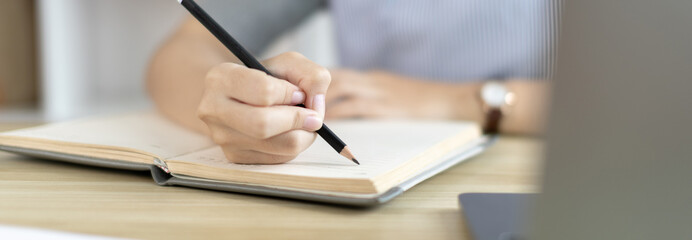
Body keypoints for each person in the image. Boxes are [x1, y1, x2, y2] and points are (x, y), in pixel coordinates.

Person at [147, 0, 555, 164]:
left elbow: (616, 101)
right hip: (379, 181)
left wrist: (461, 101)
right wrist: (230, 105)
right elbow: (182, 52)